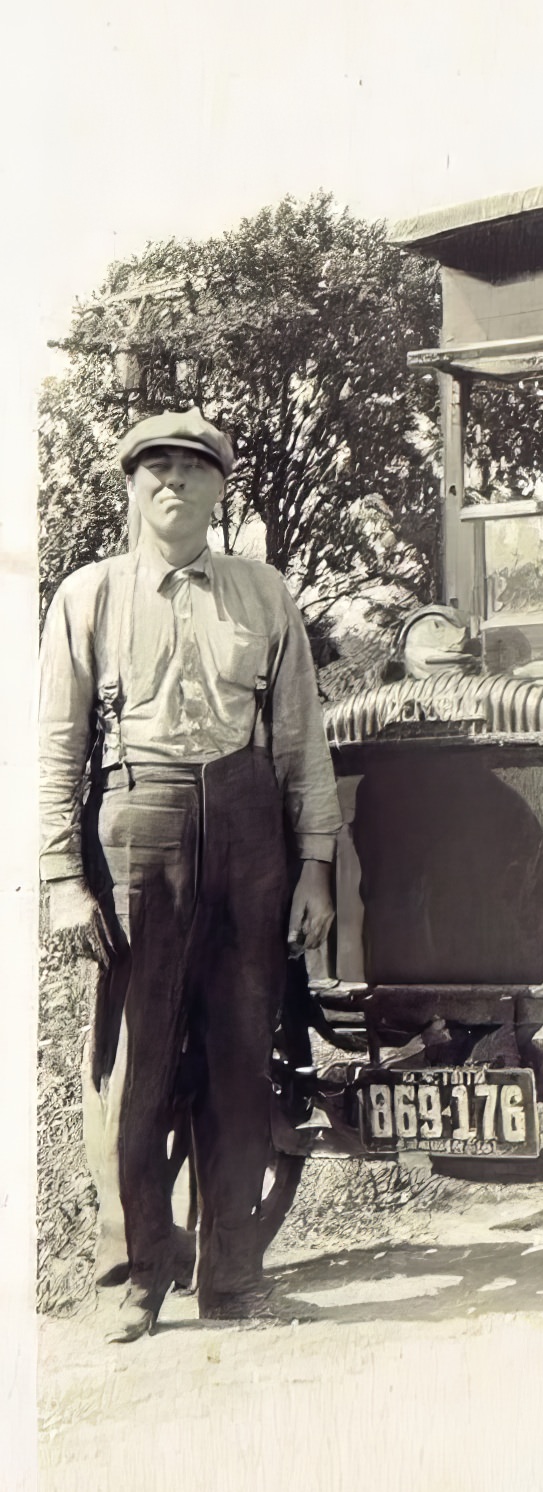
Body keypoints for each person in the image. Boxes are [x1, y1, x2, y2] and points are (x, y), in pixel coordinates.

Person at [40, 408, 342, 1340]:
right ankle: (140, 1269)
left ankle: (233, 1272)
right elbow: (55, 745)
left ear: (220, 489)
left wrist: (316, 866)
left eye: (193, 469)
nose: (173, 484)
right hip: (140, 823)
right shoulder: (87, 597)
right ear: (130, 488)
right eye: (155, 470)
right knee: (133, 1061)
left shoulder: (264, 593)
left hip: (252, 827)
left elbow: (300, 742)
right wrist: (60, 875)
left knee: (240, 1051)